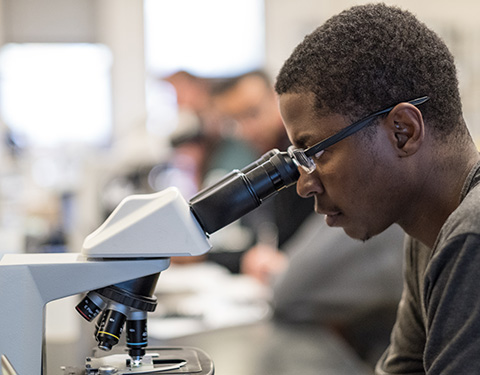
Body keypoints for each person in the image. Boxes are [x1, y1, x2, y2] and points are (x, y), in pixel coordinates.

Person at [274, 3, 480, 374]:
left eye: (317, 152)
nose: (305, 184)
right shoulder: (426, 236)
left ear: (404, 132)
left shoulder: (471, 236)